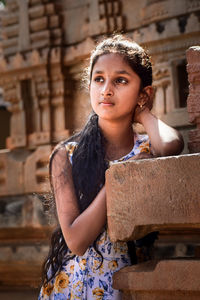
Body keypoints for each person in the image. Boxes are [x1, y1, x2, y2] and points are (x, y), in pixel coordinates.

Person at [38, 34, 184, 300]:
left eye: (121, 80)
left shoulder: (145, 149)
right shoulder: (66, 155)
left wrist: (143, 113)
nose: (106, 90)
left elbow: (172, 145)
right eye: (99, 79)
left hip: (126, 287)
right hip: (72, 287)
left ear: (144, 93)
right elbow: (76, 240)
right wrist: (120, 179)